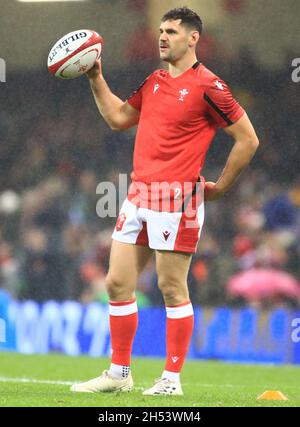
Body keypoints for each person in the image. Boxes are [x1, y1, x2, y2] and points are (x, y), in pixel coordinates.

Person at [70, 7, 259, 395]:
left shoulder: (209, 86)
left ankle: (171, 380)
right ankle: (119, 374)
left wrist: (221, 186)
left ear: (193, 38)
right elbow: (119, 118)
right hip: (139, 194)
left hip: (178, 199)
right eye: (161, 30)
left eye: (172, 31)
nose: (162, 36)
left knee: (172, 287)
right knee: (117, 282)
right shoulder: (154, 81)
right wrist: (95, 76)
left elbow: (248, 139)